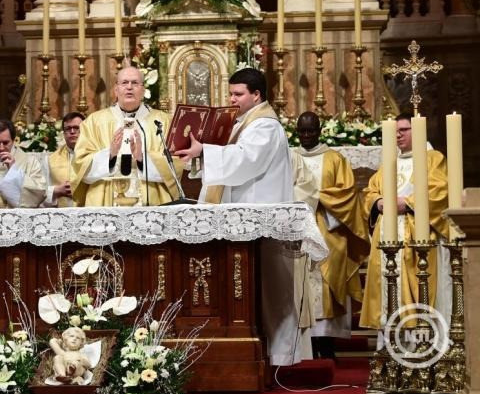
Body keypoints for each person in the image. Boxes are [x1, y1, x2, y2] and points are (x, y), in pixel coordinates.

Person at [175, 67, 312, 366]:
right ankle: (251, 353)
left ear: (256, 95)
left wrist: (205, 151)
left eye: (238, 94)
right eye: (231, 93)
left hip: (260, 217)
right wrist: (201, 152)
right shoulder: (244, 123)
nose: (232, 99)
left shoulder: (265, 126)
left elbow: (245, 161)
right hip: (243, 218)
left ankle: (278, 356)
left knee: (270, 288)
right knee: (249, 288)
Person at [360, 113, 453, 333]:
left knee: (420, 289)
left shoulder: (432, 158)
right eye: (395, 131)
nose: (398, 135)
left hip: (417, 235)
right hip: (387, 236)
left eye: (404, 130)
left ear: (418, 131)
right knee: (387, 290)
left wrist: (409, 203)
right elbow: (370, 190)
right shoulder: (390, 160)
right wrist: (378, 202)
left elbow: (440, 191)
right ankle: (391, 341)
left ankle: (421, 339)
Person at [294, 112, 370, 359]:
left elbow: (347, 194)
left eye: (311, 130)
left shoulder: (335, 159)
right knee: (301, 284)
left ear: (319, 131)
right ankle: (304, 348)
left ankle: (326, 346)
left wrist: (314, 197)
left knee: (327, 286)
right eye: (302, 131)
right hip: (298, 232)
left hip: (328, 231)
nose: (306, 135)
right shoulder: (290, 157)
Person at [72, 66, 180, 207]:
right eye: (124, 83)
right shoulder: (95, 122)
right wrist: (110, 155)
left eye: (135, 83)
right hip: (105, 202)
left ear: (143, 90)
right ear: (116, 90)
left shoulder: (162, 121)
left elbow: (176, 164)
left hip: (151, 201)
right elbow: (80, 165)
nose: (129, 87)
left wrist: (142, 158)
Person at [43, 112, 85, 208]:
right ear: (63, 133)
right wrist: (56, 190)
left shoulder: (94, 155)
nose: (72, 131)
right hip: (62, 213)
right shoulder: (50, 160)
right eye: (68, 128)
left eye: (76, 128)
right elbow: (41, 193)